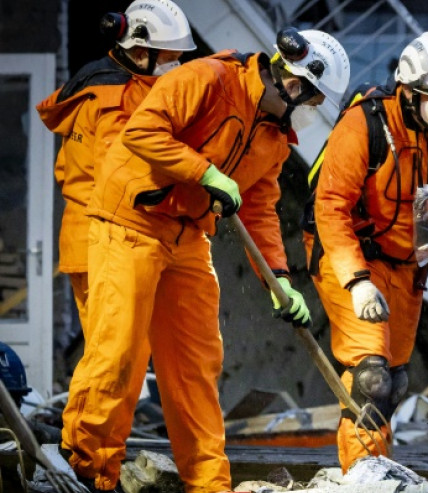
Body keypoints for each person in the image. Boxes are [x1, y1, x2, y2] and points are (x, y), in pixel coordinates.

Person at [63, 26, 349, 493]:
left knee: (197, 364)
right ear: (293, 82)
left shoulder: (274, 138)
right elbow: (142, 131)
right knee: (120, 354)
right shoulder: (209, 78)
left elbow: (259, 209)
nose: (311, 110)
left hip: (188, 236)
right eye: (313, 99)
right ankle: (86, 467)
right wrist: (205, 172)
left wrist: (279, 279)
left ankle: (208, 484)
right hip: (130, 220)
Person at [305, 31, 428, 472]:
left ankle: (378, 470)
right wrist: (357, 281)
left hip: (410, 266)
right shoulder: (365, 124)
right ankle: (363, 477)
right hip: (350, 253)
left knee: (395, 380)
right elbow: (330, 208)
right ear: (407, 90)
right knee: (370, 377)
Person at [35, 0, 197, 484]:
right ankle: (82, 464)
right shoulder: (113, 96)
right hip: (103, 234)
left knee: (115, 355)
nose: (177, 66)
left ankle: (93, 465)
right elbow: (126, 174)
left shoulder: (110, 86)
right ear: (139, 51)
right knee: (115, 358)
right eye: (169, 57)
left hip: (95, 234)